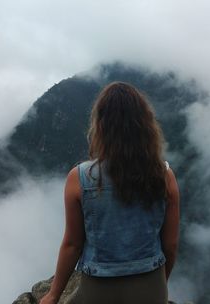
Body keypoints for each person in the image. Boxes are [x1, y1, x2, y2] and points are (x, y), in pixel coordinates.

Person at [39, 81, 180, 304]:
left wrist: (53, 294)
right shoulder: (164, 175)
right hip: (151, 286)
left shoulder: (79, 178)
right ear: (145, 125)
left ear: (100, 126)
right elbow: (170, 246)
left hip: (98, 289)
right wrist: (157, 286)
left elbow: (73, 244)